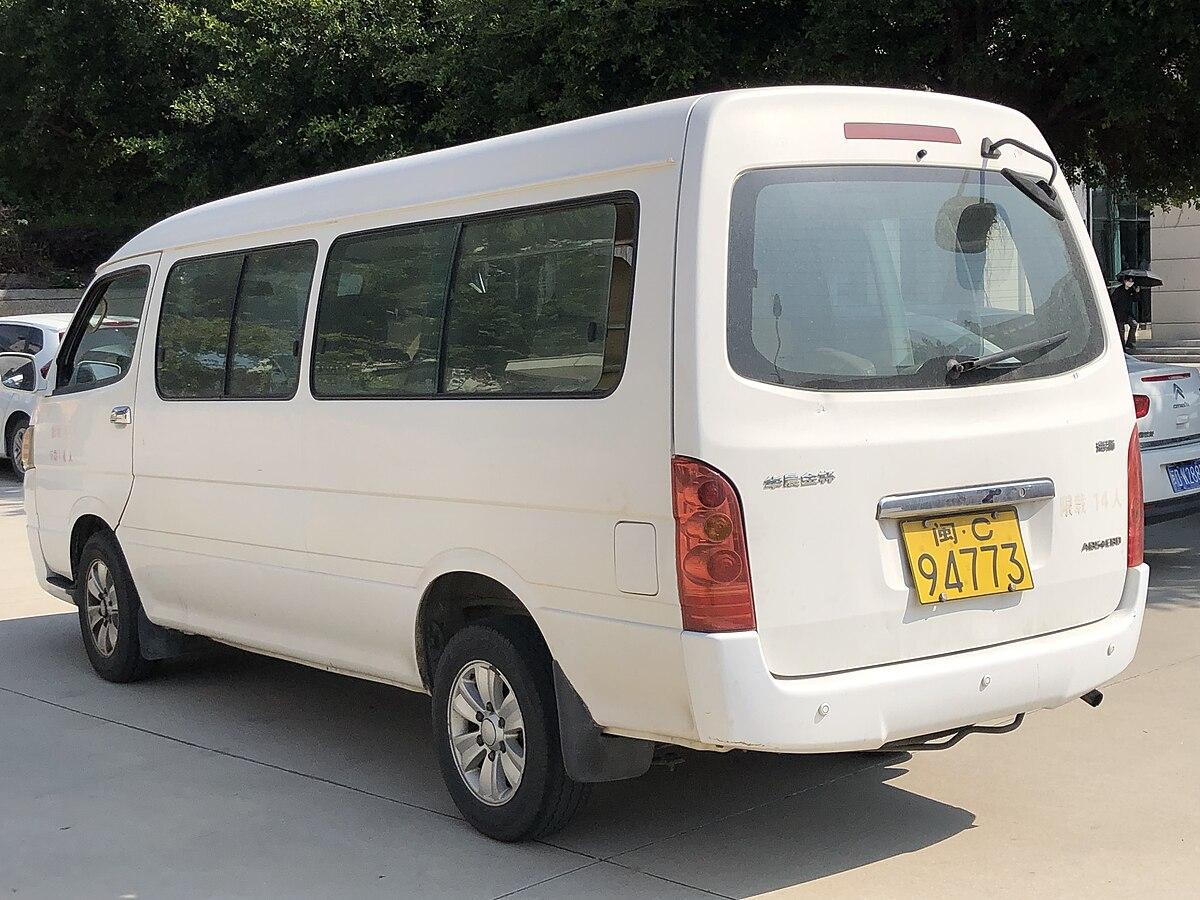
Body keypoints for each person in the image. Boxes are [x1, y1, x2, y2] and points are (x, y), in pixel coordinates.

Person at [1110, 275, 1141, 350]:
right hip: (1119, 313)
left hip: (1128, 313)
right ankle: (1122, 346)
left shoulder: (1132, 290)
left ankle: (1130, 343)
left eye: (1132, 281)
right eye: (1129, 281)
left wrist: (1137, 292)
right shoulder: (1118, 290)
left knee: (1134, 324)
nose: (1130, 283)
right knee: (1121, 330)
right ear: (1125, 281)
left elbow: (1135, 299)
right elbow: (1113, 301)